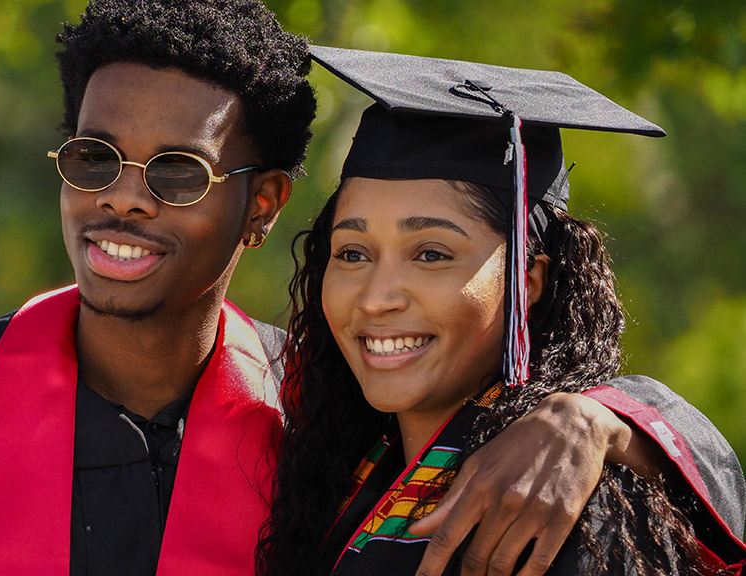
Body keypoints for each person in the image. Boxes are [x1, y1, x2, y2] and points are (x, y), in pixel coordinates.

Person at [0, 4, 741, 575]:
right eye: (94, 159)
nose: (123, 201)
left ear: (263, 206)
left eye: (178, 172)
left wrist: (600, 418)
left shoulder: (318, 422)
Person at [257, 46, 746, 576]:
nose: (377, 298)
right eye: (352, 254)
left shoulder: (566, 508)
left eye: (431, 255)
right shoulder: (332, 468)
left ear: (528, 282)